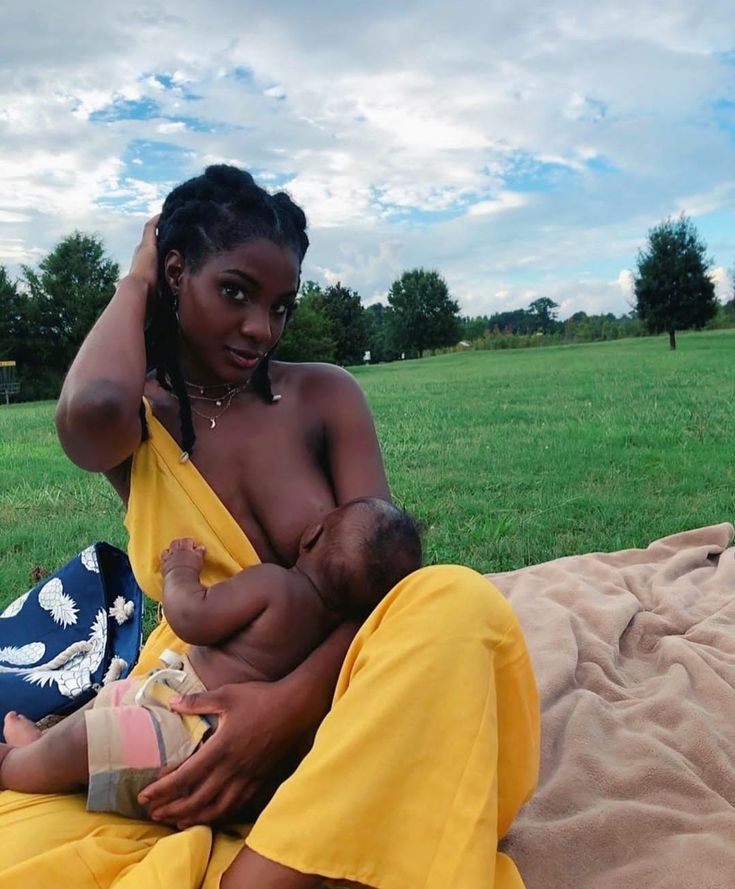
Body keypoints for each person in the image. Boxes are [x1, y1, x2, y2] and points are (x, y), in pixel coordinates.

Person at [0, 164, 540, 889]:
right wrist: (133, 281)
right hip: (196, 706)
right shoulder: (140, 418)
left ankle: (262, 874)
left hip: (339, 698)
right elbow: (90, 408)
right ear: (175, 273)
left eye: (281, 305)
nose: (261, 327)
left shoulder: (325, 396)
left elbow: (387, 592)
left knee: (456, 601)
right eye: (235, 292)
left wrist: (285, 710)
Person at [0, 497, 422, 820]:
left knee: (88, 739)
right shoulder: (343, 636)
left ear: (311, 535)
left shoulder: (274, 586)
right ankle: (46, 754)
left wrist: (179, 570)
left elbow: (192, 617)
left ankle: (17, 765)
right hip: (217, 744)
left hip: (185, 718)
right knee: (107, 714)